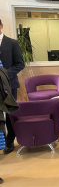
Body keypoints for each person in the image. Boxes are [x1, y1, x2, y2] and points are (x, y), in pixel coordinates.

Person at [0, 19, 25, 154]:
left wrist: (3, 75)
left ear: (1, 26)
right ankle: (1, 140)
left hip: (9, 84)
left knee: (10, 113)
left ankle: (10, 141)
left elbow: (20, 64)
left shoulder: (12, 43)